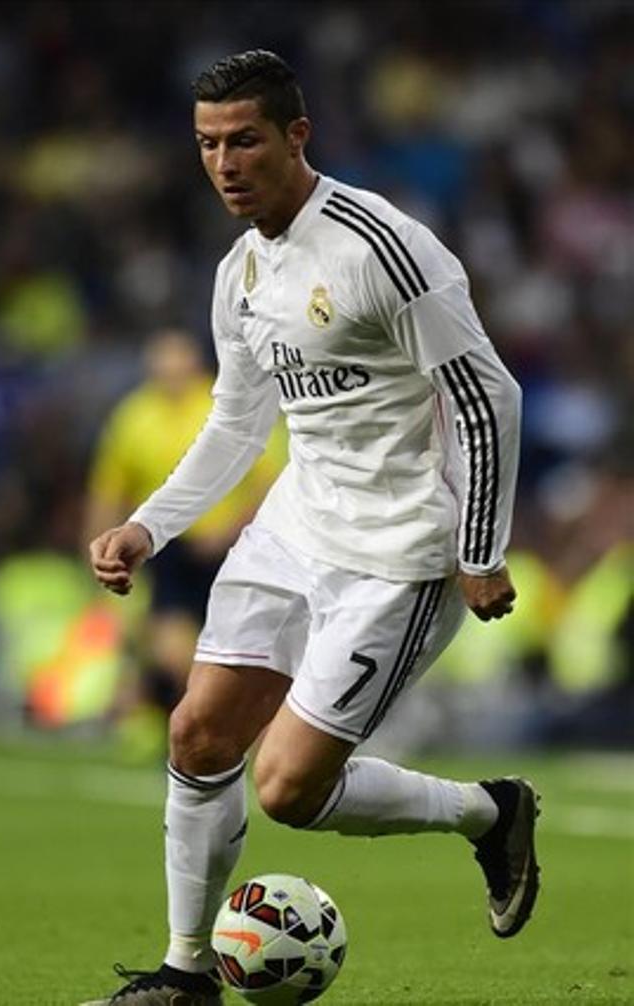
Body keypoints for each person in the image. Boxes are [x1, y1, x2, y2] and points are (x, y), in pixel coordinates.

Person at [83, 51, 536, 1005]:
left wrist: (481, 549)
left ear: (297, 136)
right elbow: (236, 423)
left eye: (244, 139)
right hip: (293, 528)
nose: (224, 164)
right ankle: (184, 972)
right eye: (207, 144)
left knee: (289, 790)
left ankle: (490, 813)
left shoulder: (383, 247)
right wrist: (148, 527)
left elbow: (489, 394)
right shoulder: (241, 268)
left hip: (399, 554)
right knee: (199, 737)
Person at [83, 328, 285, 756]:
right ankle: (193, 733)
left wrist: (228, 531)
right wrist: (101, 541)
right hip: (170, 552)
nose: (169, 371)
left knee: (239, 653)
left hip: (235, 550)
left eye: (177, 361)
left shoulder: (224, 406)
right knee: (175, 650)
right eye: (161, 362)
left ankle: (247, 737)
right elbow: (110, 487)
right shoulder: (135, 415)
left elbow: (268, 482)